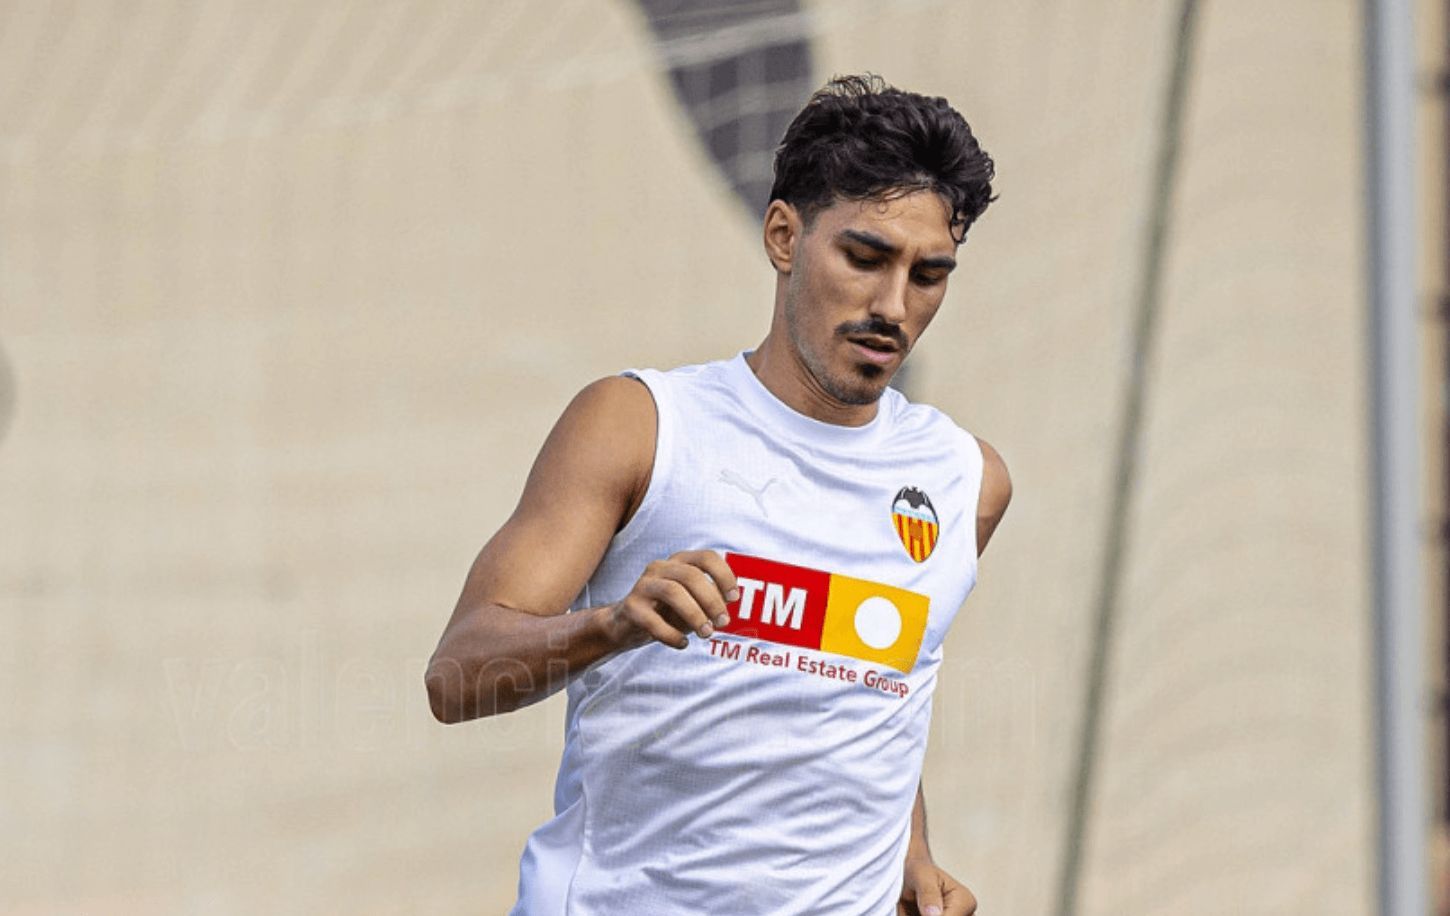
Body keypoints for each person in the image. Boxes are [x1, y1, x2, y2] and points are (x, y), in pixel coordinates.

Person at [425, 74, 1011, 916]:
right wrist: (610, 625)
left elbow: (880, 686)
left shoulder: (967, 479)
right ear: (783, 235)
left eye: (929, 274)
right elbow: (455, 677)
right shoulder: (641, 425)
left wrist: (913, 850)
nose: (892, 305)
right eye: (865, 256)